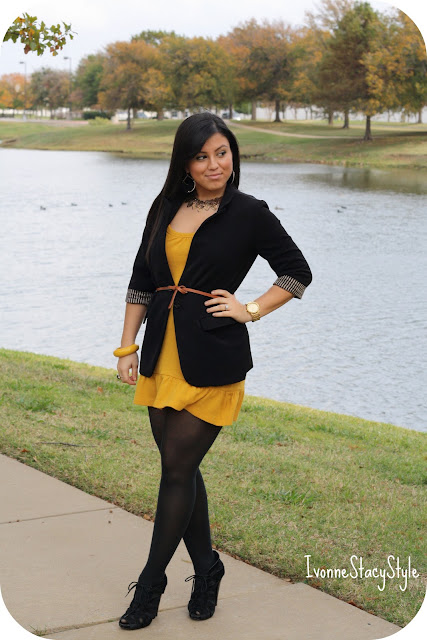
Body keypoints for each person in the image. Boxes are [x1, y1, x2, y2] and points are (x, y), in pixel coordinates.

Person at [114, 112, 312, 630]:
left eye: (221, 153)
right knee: (180, 468)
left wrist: (250, 309)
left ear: (233, 154)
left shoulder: (249, 212)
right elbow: (141, 280)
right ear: (185, 163)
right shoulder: (165, 206)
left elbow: (297, 273)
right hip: (161, 354)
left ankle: (151, 584)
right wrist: (126, 346)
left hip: (213, 358)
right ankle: (208, 569)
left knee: (177, 470)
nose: (214, 164)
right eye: (201, 156)